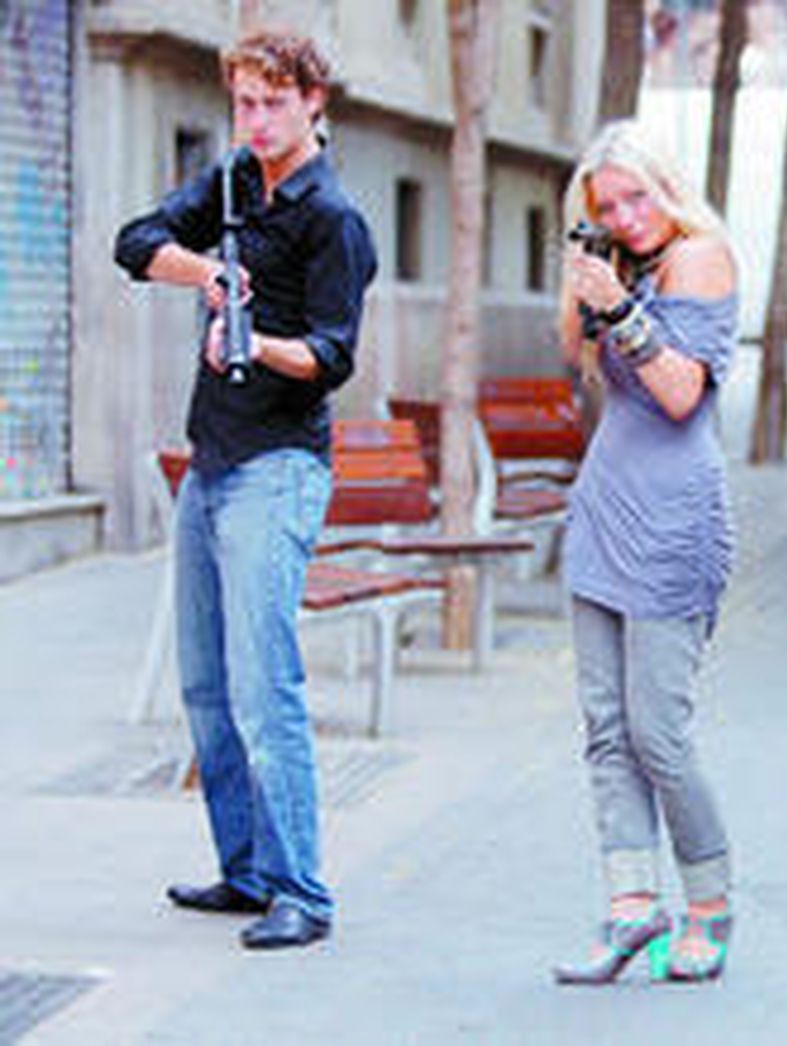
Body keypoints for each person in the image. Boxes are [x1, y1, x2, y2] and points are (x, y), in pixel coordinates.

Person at [114, 30, 376, 950]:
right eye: (243, 102)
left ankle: (304, 892)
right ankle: (248, 871)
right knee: (206, 687)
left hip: (279, 468)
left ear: (313, 101)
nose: (254, 119)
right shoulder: (230, 183)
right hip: (212, 463)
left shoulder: (334, 218)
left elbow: (330, 359)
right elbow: (134, 243)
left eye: (272, 102)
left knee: (267, 690)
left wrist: (253, 337)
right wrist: (211, 276)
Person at [551, 121, 738, 986]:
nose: (626, 218)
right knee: (604, 730)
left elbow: (678, 392)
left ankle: (709, 904)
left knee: (657, 730)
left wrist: (622, 307)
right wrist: (585, 288)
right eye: (606, 209)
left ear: (668, 186)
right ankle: (631, 907)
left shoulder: (701, 257)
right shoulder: (618, 266)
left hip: (673, 520)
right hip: (603, 511)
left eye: (637, 197)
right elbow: (579, 367)